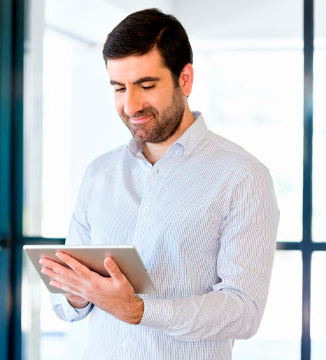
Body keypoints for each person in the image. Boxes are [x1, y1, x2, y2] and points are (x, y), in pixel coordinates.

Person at [38, 8, 280, 360]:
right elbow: (66, 305)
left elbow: (243, 311)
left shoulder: (242, 176)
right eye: (119, 88)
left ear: (185, 80)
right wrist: (77, 291)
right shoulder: (99, 173)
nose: (130, 104)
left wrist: (140, 311)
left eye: (146, 85)